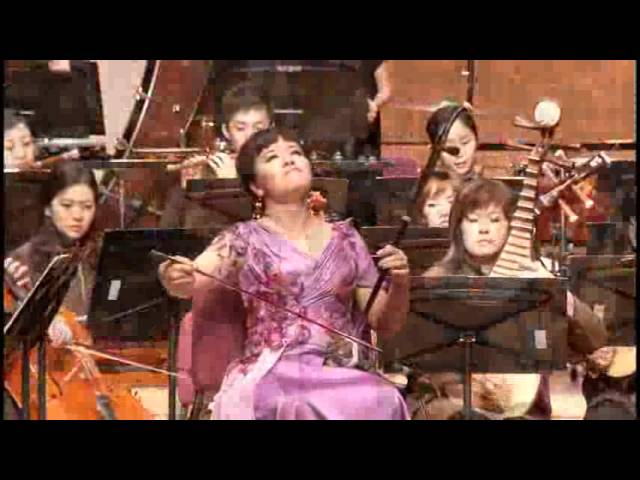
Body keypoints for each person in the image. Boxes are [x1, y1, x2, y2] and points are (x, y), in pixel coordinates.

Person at [158, 127, 411, 420]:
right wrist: (173, 272)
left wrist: (401, 282)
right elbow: (190, 279)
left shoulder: (347, 238)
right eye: (272, 157)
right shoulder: (243, 238)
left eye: (296, 153)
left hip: (342, 369)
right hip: (275, 372)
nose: (289, 159)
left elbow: (384, 323)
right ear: (256, 186)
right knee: (303, 403)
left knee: (385, 397)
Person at [411, 179, 607, 420]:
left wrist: (557, 292)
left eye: (494, 220)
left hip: (525, 411)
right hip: (452, 406)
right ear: (459, 228)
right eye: (473, 220)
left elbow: (595, 341)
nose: (484, 229)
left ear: (510, 228)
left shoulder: (533, 278)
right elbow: (421, 365)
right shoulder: (437, 281)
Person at [160, 81, 273, 229]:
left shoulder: (283, 174)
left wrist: (231, 186)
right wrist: (186, 192)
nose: (250, 136)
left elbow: (266, 231)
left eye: (258, 128)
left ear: (271, 128)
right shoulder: (210, 171)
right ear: (226, 131)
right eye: (240, 128)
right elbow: (169, 232)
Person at [424, 103, 483, 183]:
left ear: (477, 140)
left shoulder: (492, 188)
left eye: (465, 143)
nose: (460, 153)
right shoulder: (427, 188)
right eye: (449, 146)